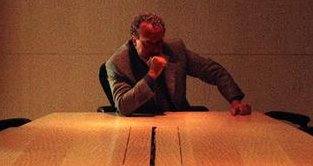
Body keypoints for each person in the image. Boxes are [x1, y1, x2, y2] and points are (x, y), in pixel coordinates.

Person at [105, 13, 251, 116]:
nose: (156, 49)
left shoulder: (175, 50)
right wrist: (152, 75)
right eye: (149, 43)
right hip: (139, 125)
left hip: (178, 120)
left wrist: (235, 101)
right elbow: (123, 106)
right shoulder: (117, 63)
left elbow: (214, 71)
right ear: (134, 40)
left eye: (159, 42)